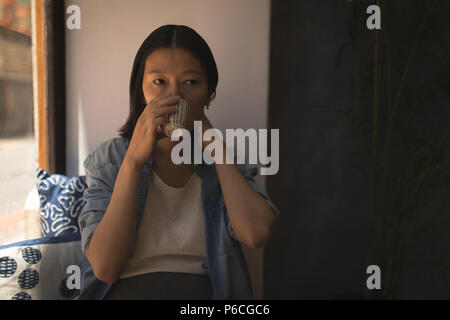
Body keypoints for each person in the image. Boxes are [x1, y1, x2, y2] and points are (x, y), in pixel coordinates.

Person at [77, 24, 280, 300]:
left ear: (209, 94)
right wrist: (134, 161)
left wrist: (212, 142)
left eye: (191, 83)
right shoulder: (109, 160)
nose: (174, 96)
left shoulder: (224, 161)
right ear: (141, 91)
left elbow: (256, 234)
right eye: (159, 82)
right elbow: (105, 268)